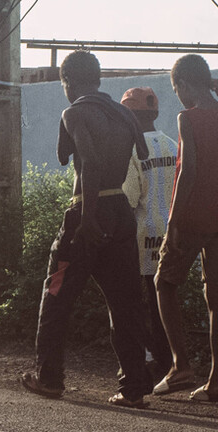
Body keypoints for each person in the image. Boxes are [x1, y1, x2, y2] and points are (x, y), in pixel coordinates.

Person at [19, 50, 153, 408]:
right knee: (126, 302)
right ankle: (134, 387)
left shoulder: (74, 111)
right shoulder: (126, 114)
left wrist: (88, 218)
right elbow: (138, 153)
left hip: (86, 213)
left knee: (57, 294)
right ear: (98, 78)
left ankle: (48, 378)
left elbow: (83, 160)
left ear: (68, 82)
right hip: (121, 212)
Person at [154, 54, 218, 402]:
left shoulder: (187, 118)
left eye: (176, 88)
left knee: (164, 283)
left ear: (183, 86)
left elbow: (188, 171)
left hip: (191, 217)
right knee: (216, 301)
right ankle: (215, 382)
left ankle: (181, 366)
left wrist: (174, 221)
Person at [119, 87, 177, 382]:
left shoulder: (132, 150)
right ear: (154, 114)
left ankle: (153, 361)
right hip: (175, 236)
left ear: (129, 116)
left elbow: (129, 199)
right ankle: (173, 362)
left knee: (140, 303)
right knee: (166, 300)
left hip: (143, 238)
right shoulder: (173, 146)